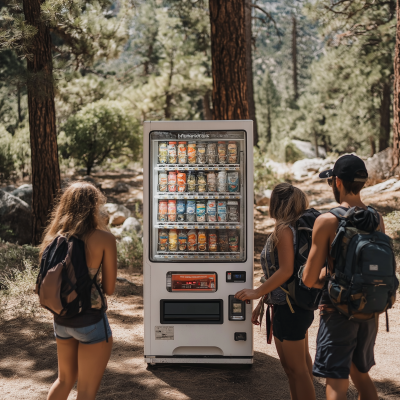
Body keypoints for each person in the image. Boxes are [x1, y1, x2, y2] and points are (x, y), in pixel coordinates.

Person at [302, 154, 383, 400]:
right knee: (360, 374)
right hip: (369, 306)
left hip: (337, 309)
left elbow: (308, 278)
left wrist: (329, 279)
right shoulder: (376, 218)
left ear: (337, 181)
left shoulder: (327, 220)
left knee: (336, 380)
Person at [235, 183, 316, 400]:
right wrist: (263, 301)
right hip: (295, 305)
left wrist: (257, 292)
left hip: (288, 308)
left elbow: (286, 270)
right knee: (300, 369)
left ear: (276, 203)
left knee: (296, 371)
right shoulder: (294, 227)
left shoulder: (284, 229)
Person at [40, 182, 117, 400]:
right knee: (85, 391)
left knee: (64, 380)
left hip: (61, 320)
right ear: (94, 207)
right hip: (90, 322)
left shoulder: (54, 238)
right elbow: (109, 289)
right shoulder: (104, 238)